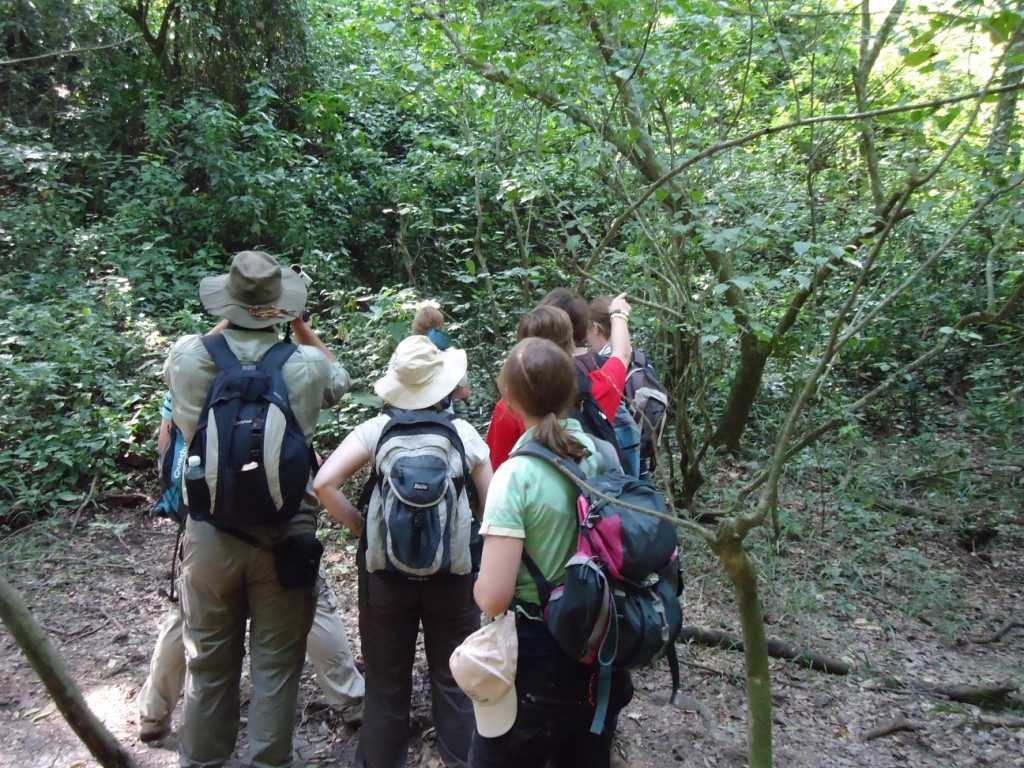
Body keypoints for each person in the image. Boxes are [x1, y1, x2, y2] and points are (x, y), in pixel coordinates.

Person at [165, 249, 351, 768]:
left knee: (208, 665)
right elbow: (342, 381)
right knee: (276, 666)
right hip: (285, 536)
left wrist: (230, 324)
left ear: (227, 301)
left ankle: (202, 761)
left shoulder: (187, 357)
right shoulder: (307, 365)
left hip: (208, 534)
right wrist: (300, 328)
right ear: (281, 306)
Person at [139, 392, 365, 742]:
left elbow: (167, 445)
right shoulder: (286, 369)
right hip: (277, 525)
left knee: (187, 616)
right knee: (312, 600)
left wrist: (183, 499)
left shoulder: (197, 366)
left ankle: (153, 714)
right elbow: (306, 453)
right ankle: (351, 700)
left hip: (208, 523)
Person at [314, 334, 493, 768]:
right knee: (453, 681)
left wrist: (362, 528)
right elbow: (493, 509)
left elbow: (324, 485)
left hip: (385, 578)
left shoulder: (377, 431)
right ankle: (460, 760)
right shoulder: (464, 435)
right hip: (452, 578)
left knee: (385, 683)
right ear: (442, 386)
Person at [471, 337, 634, 767]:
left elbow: (493, 596)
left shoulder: (516, 476)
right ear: (571, 392)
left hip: (541, 658)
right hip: (604, 646)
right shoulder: (603, 455)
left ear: (508, 399)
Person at [484, 291, 633, 470]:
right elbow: (622, 355)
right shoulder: (595, 389)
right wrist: (618, 314)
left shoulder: (510, 407)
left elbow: (495, 471)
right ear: (571, 343)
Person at [412, 302, 471, 403]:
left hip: (410, 412)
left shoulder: (408, 353)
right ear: (440, 326)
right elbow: (464, 392)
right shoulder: (453, 355)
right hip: (442, 415)